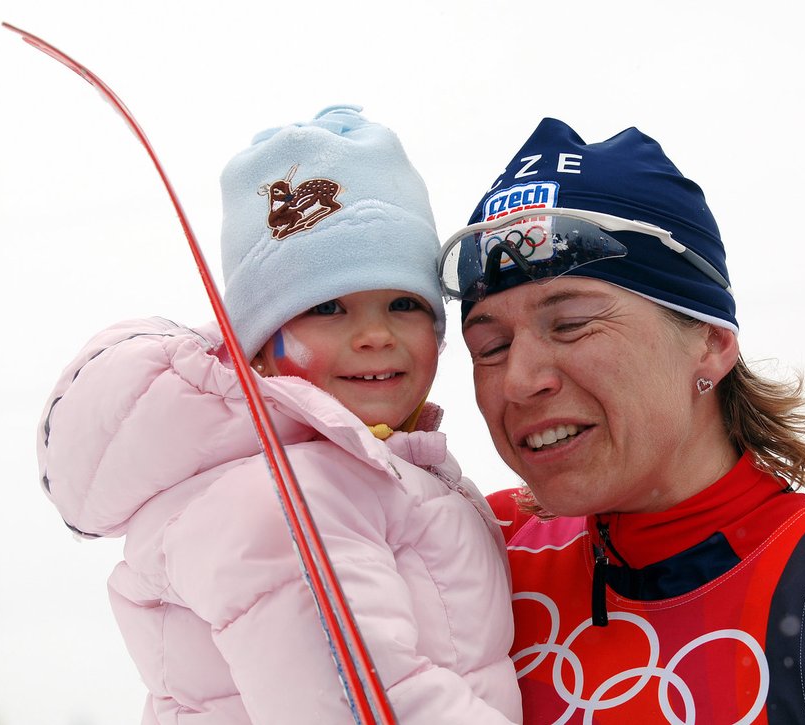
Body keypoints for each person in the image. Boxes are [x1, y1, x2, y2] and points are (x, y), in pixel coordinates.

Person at [438, 118, 805, 723]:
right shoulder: (469, 549)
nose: (522, 380)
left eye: (572, 323)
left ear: (709, 342)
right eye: (490, 346)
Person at [36, 105, 521, 724]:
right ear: (259, 346)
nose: (375, 335)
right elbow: (362, 699)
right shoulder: (284, 498)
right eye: (328, 308)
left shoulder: (370, 469)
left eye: (403, 303)